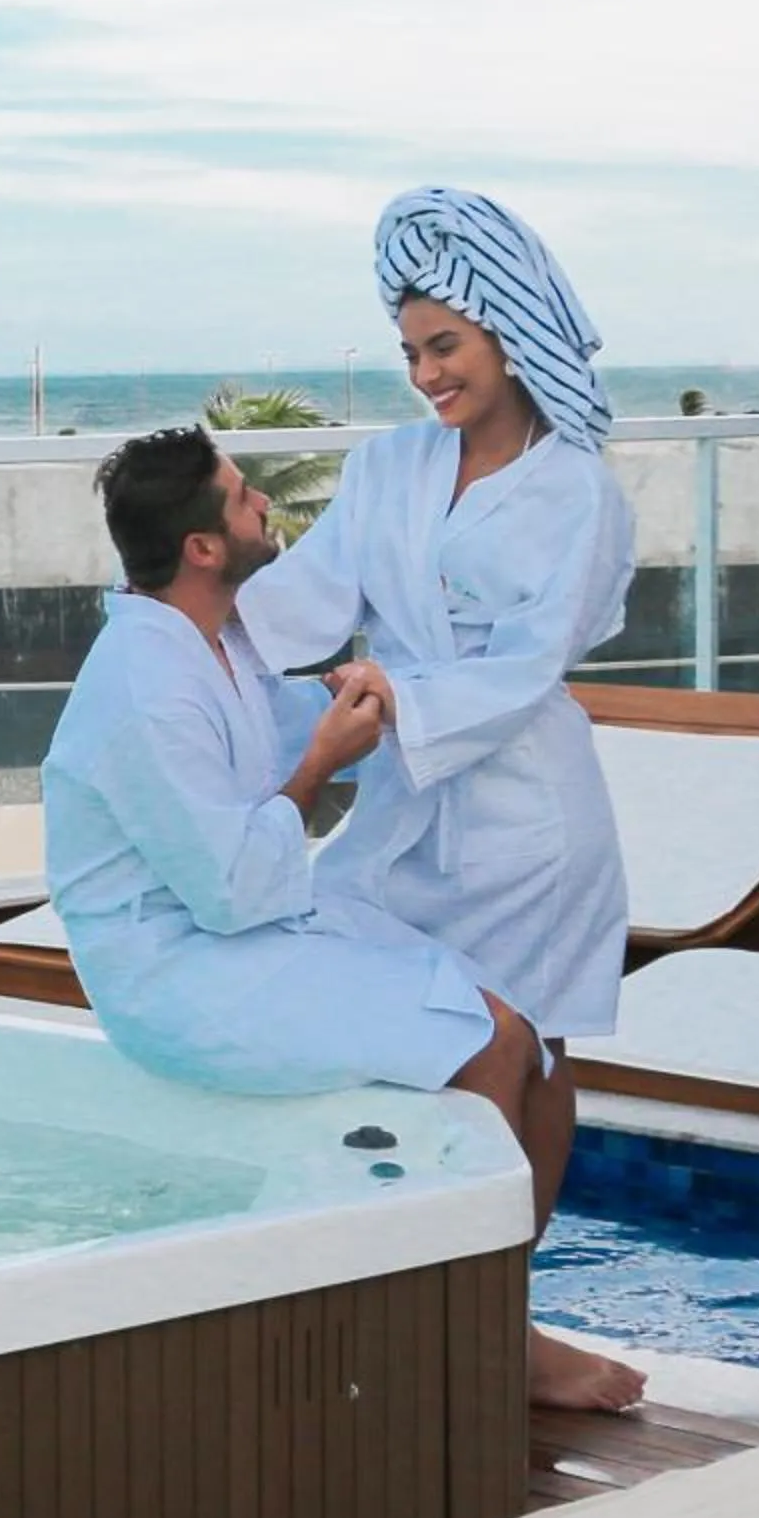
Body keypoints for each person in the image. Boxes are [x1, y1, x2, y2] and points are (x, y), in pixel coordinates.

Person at [44, 424, 639, 1410]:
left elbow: (267, 763)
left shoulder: (204, 642)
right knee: (487, 1043)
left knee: (524, 1036)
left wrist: (365, 708)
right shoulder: (145, 685)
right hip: (181, 973)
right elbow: (234, 882)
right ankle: (471, 1337)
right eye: (243, 497)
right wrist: (323, 758)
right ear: (202, 546)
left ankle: (489, 1314)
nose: (262, 507)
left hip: (239, 934)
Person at [235, 187, 641, 1407]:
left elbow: (526, 667)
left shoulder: (579, 492)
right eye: (410, 351)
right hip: (400, 814)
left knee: (534, 1058)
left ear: (510, 333)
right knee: (390, 1037)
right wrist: (186, 631)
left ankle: (502, 1325)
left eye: (445, 347)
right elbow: (303, 597)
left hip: (530, 821)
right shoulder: (389, 467)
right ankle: (398, 1297)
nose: (424, 376)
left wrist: (401, 702)